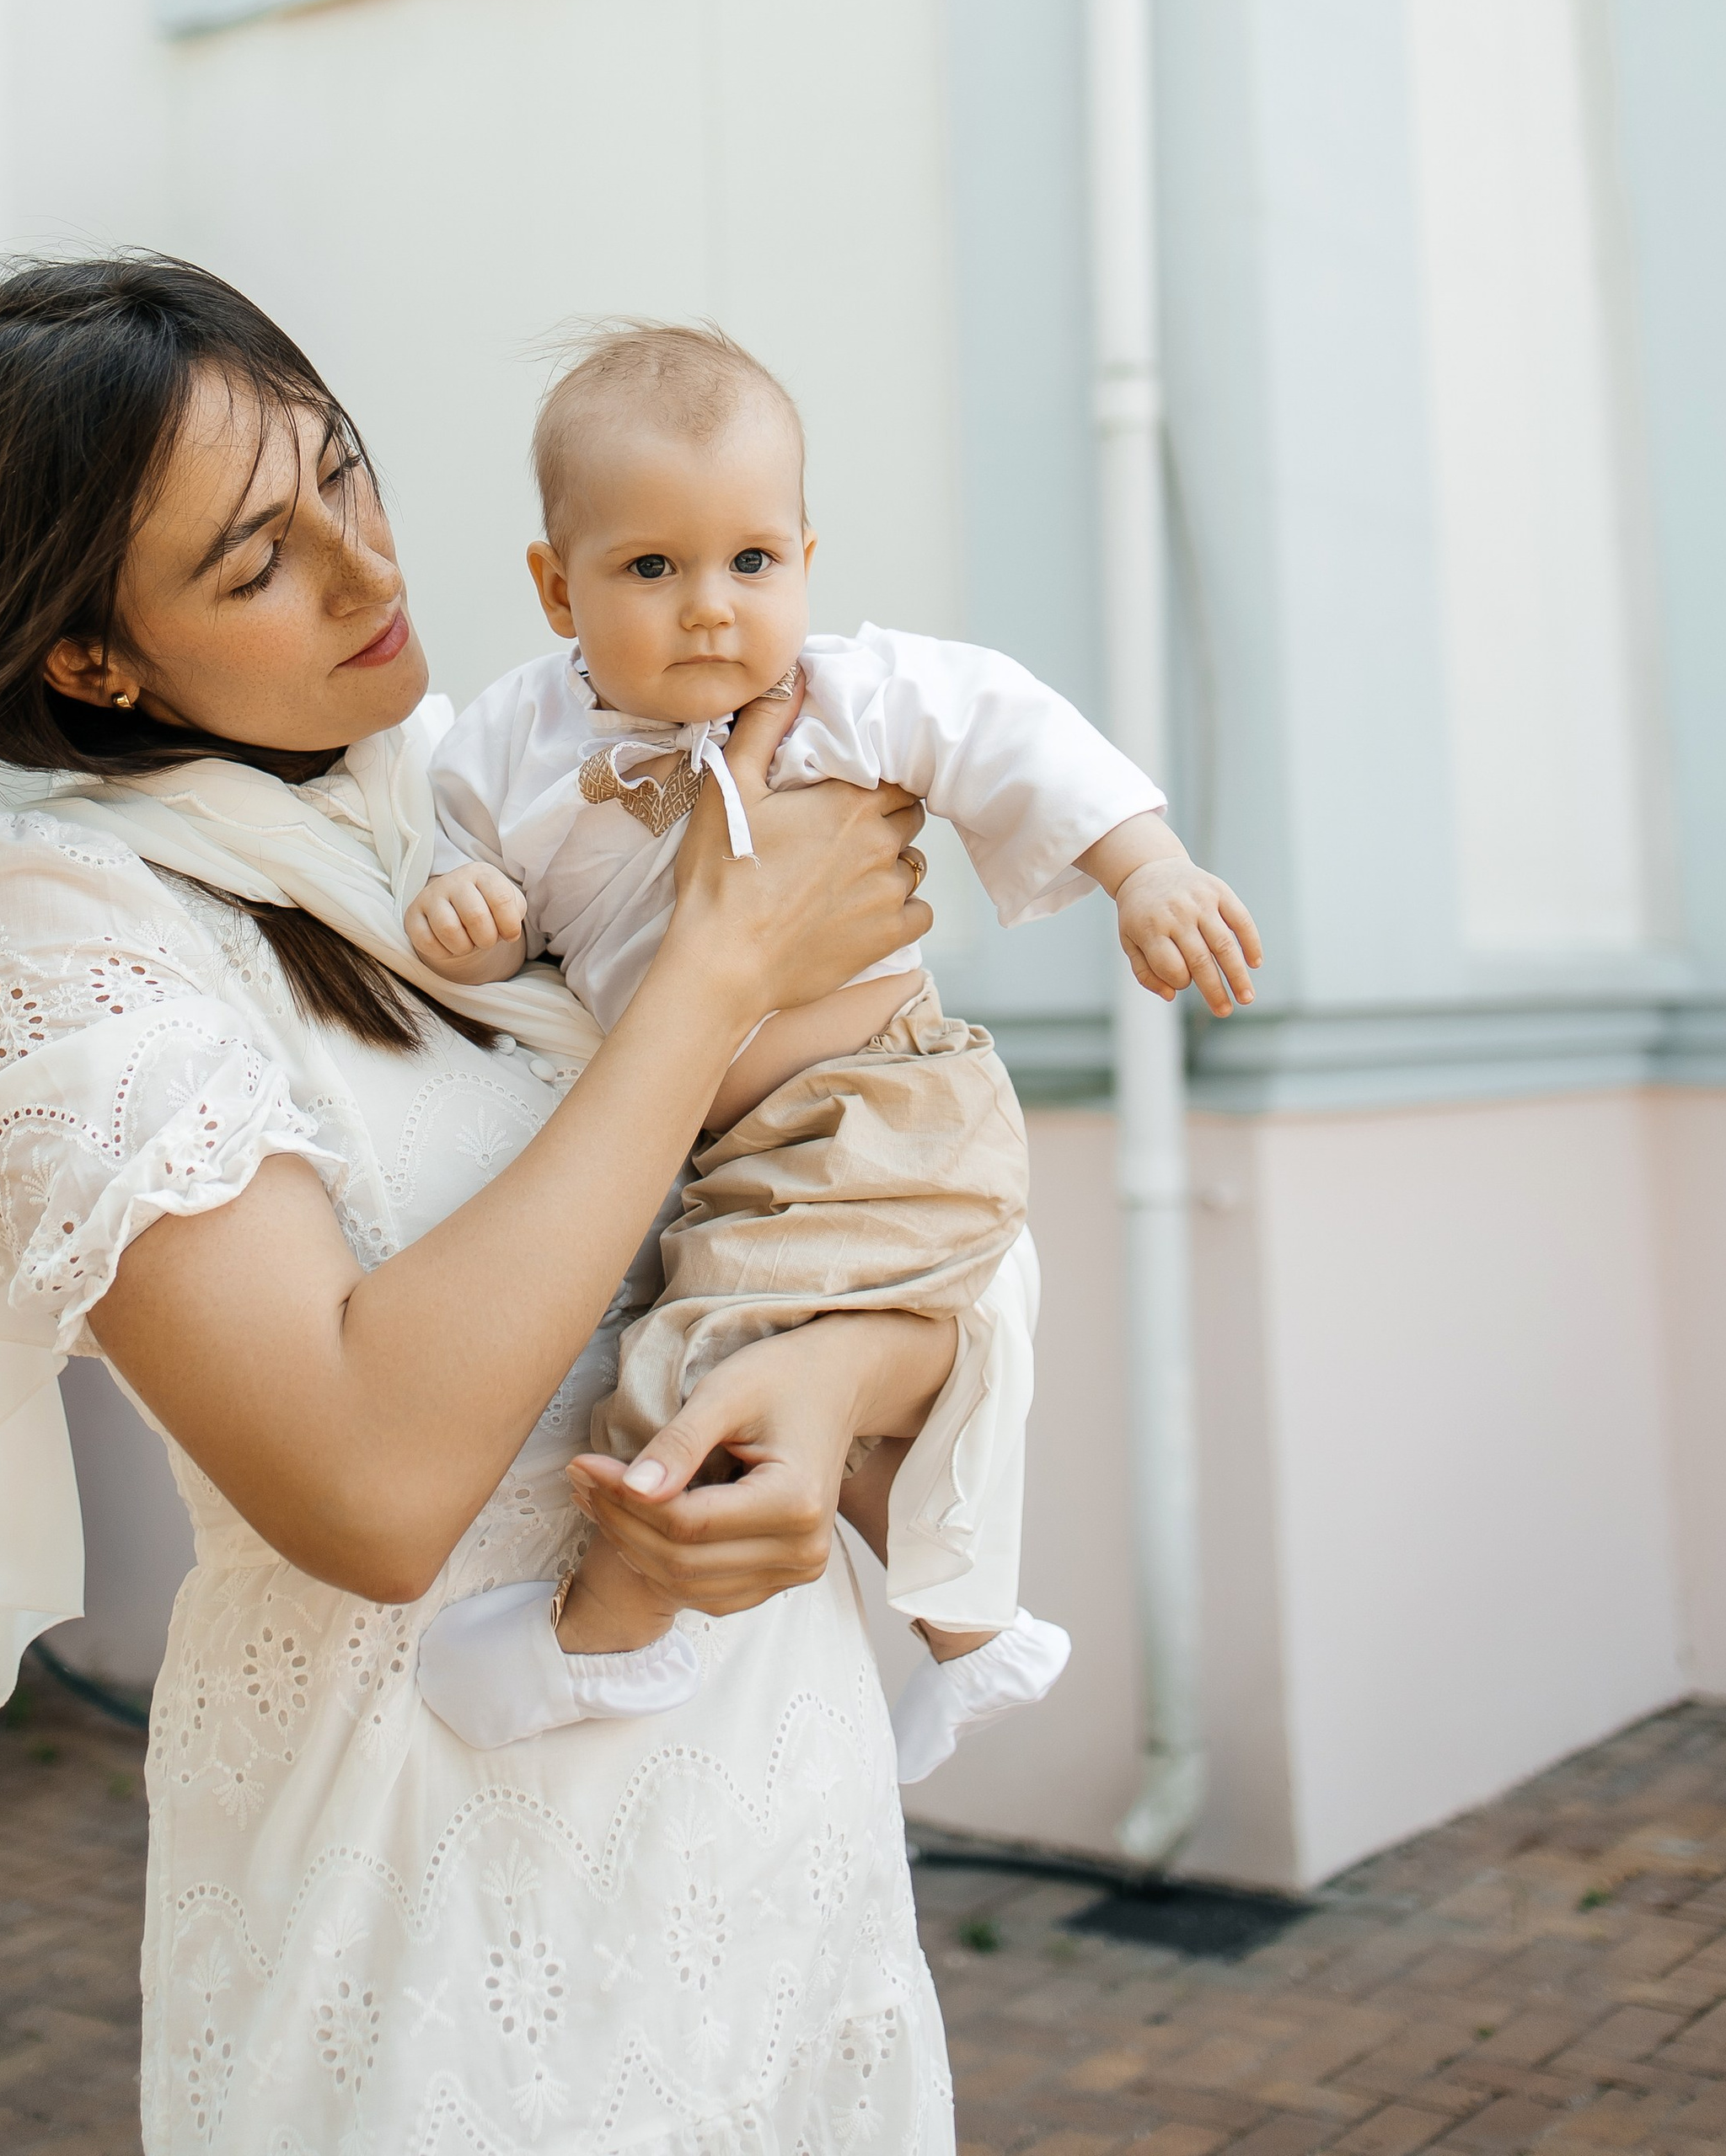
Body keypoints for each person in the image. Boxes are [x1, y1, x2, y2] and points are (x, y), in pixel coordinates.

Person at [0, 257, 999, 2154]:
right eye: (257, 561)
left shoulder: (501, 793)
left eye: (344, 475)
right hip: (426, 1854)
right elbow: (367, 1488)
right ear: (92, 659)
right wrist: (712, 973)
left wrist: (827, 1382)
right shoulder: (54, 913)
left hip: (761, 1798)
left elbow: (859, 1207)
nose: (369, 568)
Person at [402, 323, 1260, 1785]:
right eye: (650, 567)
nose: (710, 608)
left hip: (883, 1104)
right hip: (724, 1149)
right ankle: (970, 1635)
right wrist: (466, 917)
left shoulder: (849, 697)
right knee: (798, 1393)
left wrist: (1150, 868)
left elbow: (1015, 734)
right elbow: (475, 904)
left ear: (805, 558)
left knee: (700, 1359)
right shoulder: (504, 747)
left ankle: (609, 1632)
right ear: (556, 587)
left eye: (752, 561)